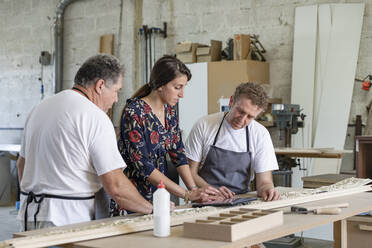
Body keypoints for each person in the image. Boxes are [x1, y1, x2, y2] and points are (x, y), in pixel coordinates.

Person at [17, 54, 152, 231]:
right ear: (100, 86)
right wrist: (152, 209)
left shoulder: (39, 108)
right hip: (67, 222)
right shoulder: (95, 117)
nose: (116, 99)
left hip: (30, 216)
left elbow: (22, 165)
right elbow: (116, 186)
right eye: (116, 91)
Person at [111, 55, 218, 215]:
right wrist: (186, 195)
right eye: (177, 87)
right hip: (133, 197)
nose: (182, 94)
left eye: (184, 87)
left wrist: (194, 190)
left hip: (159, 193)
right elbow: (144, 166)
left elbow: (179, 154)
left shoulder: (169, 111)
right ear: (160, 85)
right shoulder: (134, 113)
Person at [185, 82, 280, 201]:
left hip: (241, 200)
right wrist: (211, 190)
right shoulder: (204, 125)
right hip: (204, 198)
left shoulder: (260, 134)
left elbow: (264, 182)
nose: (242, 119)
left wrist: (268, 189)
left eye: (250, 117)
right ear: (231, 101)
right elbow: (190, 172)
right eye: (240, 111)